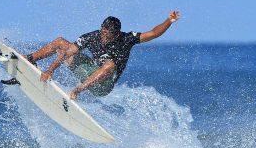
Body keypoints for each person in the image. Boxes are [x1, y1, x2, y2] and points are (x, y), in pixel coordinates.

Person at [26, 11, 181, 100]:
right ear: (101, 28)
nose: (104, 37)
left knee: (110, 64)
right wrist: (50, 70)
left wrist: (169, 21)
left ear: (117, 33)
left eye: (109, 35)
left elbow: (153, 33)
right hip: (88, 69)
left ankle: (77, 90)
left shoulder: (127, 39)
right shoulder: (93, 36)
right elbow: (68, 52)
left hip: (102, 85)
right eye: (103, 32)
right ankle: (29, 59)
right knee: (61, 43)